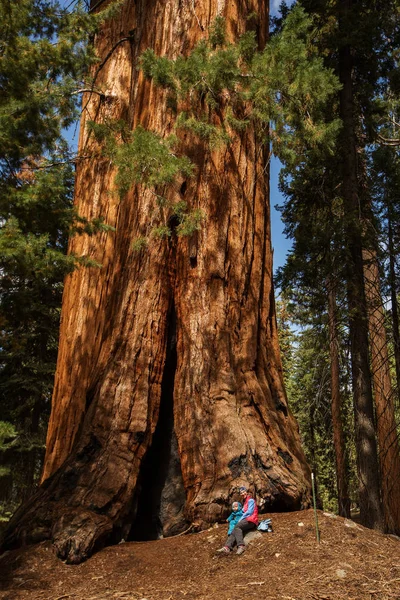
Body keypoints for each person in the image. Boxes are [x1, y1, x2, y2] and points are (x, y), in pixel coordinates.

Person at [217, 486, 259, 555]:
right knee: (235, 528)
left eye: (243, 492)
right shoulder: (245, 502)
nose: (243, 493)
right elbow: (242, 511)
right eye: (241, 493)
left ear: (246, 492)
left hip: (251, 520)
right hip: (246, 519)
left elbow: (250, 512)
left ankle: (241, 546)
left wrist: (241, 518)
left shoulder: (250, 500)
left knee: (237, 527)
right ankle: (227, 547)